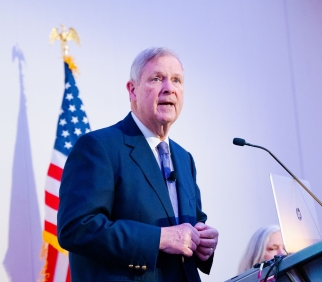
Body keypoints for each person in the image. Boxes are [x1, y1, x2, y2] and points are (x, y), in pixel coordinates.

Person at [57, 47, 219, 282]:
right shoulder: (99, 147)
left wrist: (204, 244)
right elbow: (77, 228)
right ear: (132, 90)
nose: (169, 88)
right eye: (157, 79)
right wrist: (161, 238)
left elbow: (191, 227)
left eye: (176, 80)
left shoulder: (185, 159)